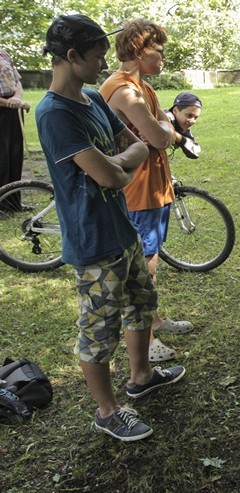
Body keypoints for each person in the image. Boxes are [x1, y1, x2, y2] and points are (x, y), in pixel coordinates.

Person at [35, 14, 185, 441]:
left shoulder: (92, 99)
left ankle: (141, 376)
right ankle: (108, 411)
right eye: (98, 56)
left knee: (142, 301)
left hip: (123, 228)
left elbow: (133, 145)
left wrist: (121, 162)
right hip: (92, 239)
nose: (104, 64)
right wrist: (121, 164)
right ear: (71, 55)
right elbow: (113, 176)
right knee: (99, 330)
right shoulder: (54, 113)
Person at [98, 19, 192, 363]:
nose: (164, 56)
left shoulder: (141, 87)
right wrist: (165, 128)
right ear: (138, 50)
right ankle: (146, 338)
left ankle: (153, 320)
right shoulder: (122, 89)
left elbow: (166, 125)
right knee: (143, 266)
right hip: (137, 191)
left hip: (154, 187)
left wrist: (165, 126)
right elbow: (161, 136)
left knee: (150, 259)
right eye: (159, 50)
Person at [0, 49, 31, 212]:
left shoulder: (3, 53)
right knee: (2, 158)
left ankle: (13, 203)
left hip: (12, 108)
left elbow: (17, 81)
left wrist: (16, 98)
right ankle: (1, 205)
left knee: (14, 155)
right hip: (3, 107)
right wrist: (8, 103)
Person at [165, 91, 202, 160]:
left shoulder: (183, 130)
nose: (192, 121)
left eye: (195, 117)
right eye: (189, 115)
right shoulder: (167, 117)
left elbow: (196, 151)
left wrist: (178, 137)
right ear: (175, 111)